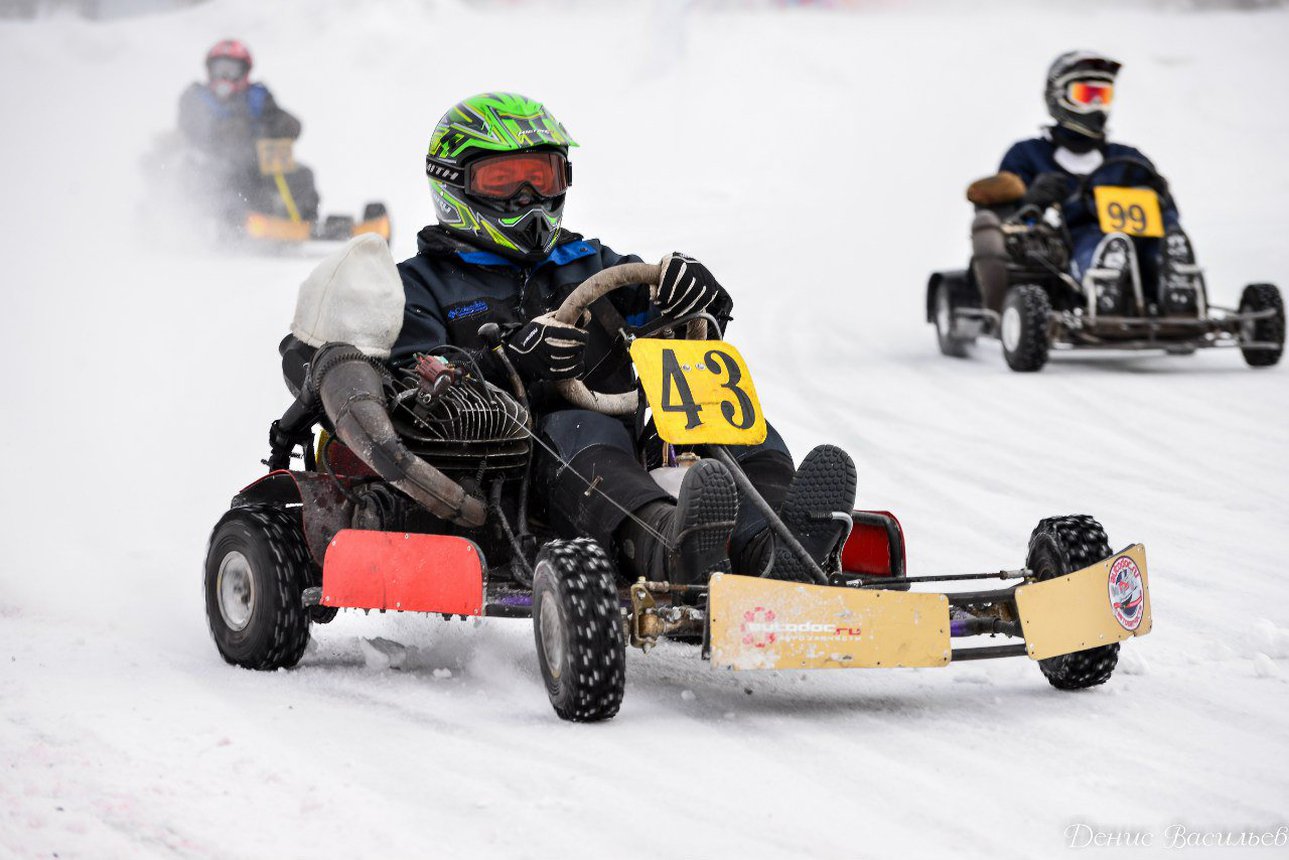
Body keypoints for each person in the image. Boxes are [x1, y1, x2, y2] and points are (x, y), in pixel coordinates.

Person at [382, 91, 856, 587]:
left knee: (719, 408)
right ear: (454, 183)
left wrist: (700, 299)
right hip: (515, 476)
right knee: (582, 428)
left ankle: (774, 547)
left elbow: (676, 327)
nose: (528, 198)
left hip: (627, 452)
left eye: (541, 177)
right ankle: (669, 550)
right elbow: (414, 388)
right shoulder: (418, 285)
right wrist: (510, 362)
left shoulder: (590, 262)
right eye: (503, 180)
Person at [967, 51, 1192, 314]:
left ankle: (1176, 276)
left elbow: (1168, 209)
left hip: (1140, 240)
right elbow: (1007, 220)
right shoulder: (1028, 155)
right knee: (1097, 240)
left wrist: (1160, 195)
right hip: (1067, 242)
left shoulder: (1129, 158)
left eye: (1103, 96)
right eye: (1087, 96)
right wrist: (1032, 199)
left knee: (1163, 231)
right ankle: (1104, 282)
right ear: (1058, 97)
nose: (1097, 106)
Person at [176, 39, 319, 223]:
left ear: (244, 72)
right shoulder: (196, 97)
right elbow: (190, 126)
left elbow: (282, 120)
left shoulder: (258, 96)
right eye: (220, 70)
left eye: (231, 70)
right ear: (210, 71)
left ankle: (302, 219)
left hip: (255, 167)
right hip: (213, 164)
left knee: (301, 175)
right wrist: (220, 131)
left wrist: (281, 126)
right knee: (208, 175)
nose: (225, 76)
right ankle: (217, 221)